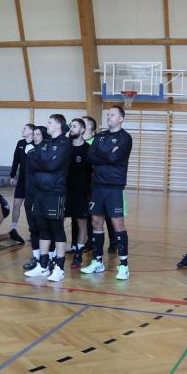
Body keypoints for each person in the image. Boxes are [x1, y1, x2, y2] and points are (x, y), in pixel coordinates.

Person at [82, 106, 133, 280]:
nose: (109, 117)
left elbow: (114, 158)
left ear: (121, 119)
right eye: (108, 115)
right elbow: (90, 156)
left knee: (117, 224)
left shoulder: (125, 138)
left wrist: (102, 155)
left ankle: (124, 265)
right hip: (97, 185)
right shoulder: (100, 136)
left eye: (112, 115)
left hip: (114, 186)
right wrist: (106, 154)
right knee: (96, 222)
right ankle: (97, 261)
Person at [24, 114, 72, 281]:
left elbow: (52, 165)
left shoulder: (65, 144)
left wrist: (39, 162)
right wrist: (41, 162)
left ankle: (59, 267)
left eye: (50, 122)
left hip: (55, 191)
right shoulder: (46, 143)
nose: (47, 125)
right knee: (42, 227)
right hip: (40, 192)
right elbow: (32, 162)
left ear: (58, 125)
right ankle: (43, 266)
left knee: (57, 229)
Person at [82, 115, 118, 255]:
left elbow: (102, 158)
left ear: (90, 127)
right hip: (85, 183)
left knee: (107, 214)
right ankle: (90, 241)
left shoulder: (98, 140)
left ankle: (113, 241)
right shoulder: (79, 142)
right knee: (90, 214)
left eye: (83, 123)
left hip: (99, 182)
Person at [66, 118, 92, 268]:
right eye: (71, 126)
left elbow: (93, 172)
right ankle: (55, 255)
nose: (72, 128)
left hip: (81, 193)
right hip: (64, 192)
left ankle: (78, 254)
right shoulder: (65, 147)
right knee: (57, 223)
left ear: (82, 130)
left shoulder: (88, 149)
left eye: (75, 126)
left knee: (82, 224)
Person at [22, 126, 46, 271]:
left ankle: (47, 258)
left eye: (38, 134)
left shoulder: (46, 152)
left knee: (44, 228)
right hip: (30, 194)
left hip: (42, 195)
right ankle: (36, 257)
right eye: (34, 134)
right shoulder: (30, 150)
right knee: (33, 228)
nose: (35, 137)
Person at [9, 124, 34, 241]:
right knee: (16, 204)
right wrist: (12, 175)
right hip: (22, 180)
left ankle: (34, 231)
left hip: (33, 181)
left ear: (31, 131)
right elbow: (16, 160)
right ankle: (13, 229)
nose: (22, 130)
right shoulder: (20, 143)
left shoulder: (36, 144)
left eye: (25, 129)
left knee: (30, 207)